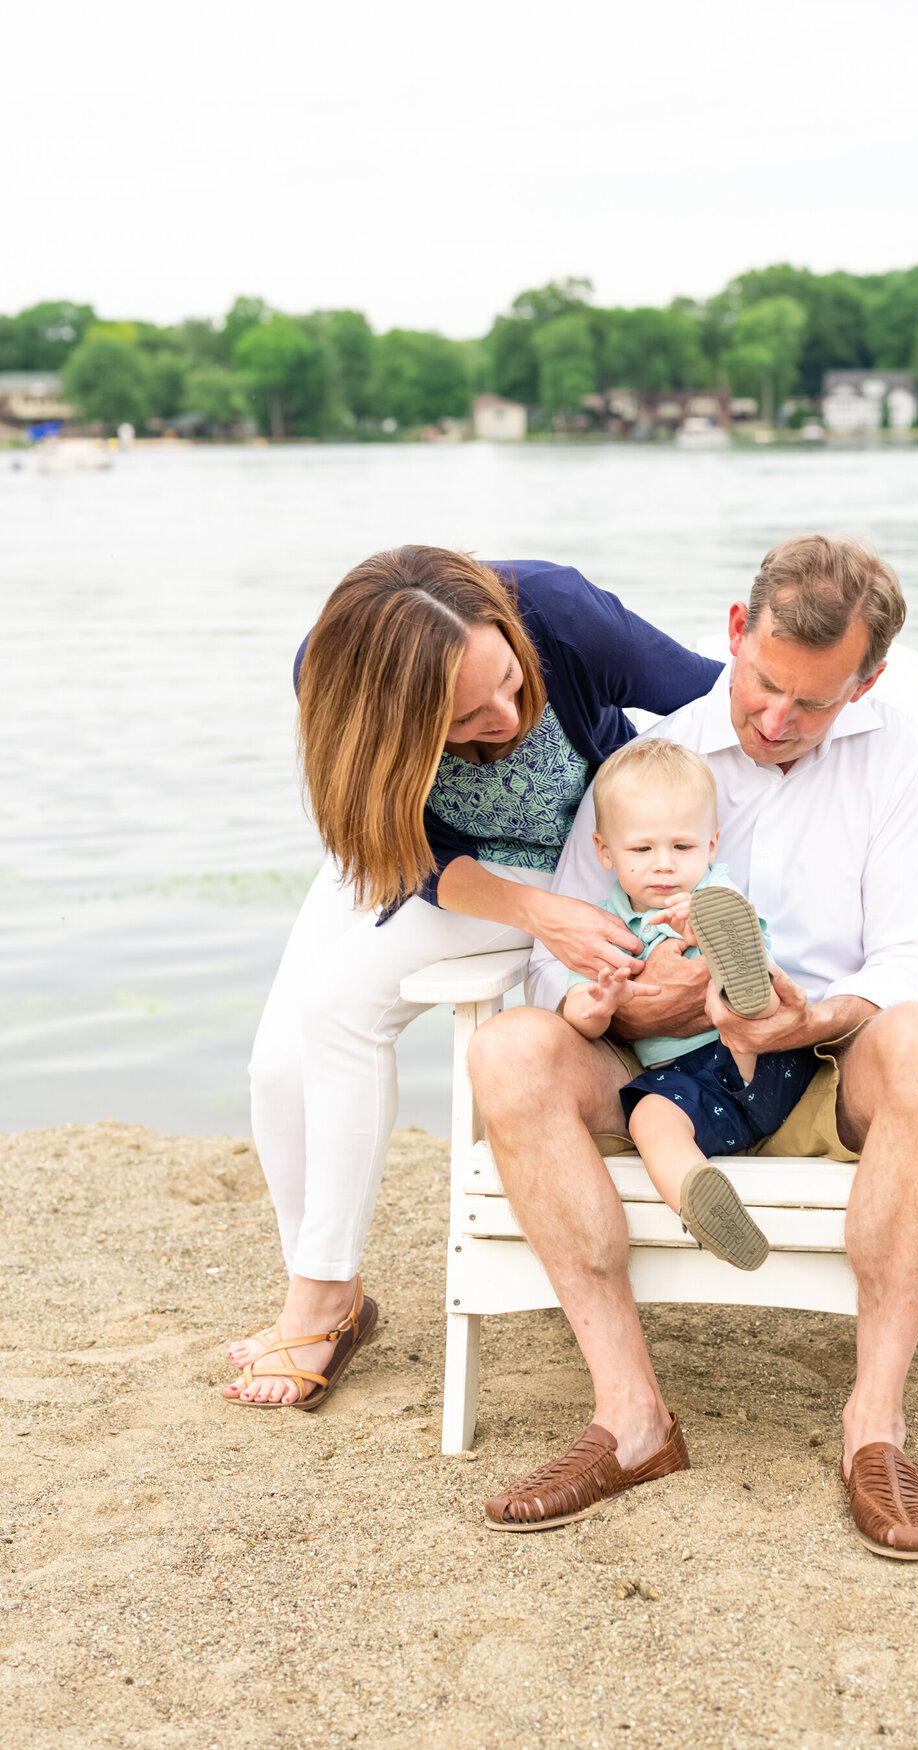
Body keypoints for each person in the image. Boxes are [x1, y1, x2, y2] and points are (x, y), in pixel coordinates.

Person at [470, 534, 918, 1558]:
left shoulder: (906, 759)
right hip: (655, 1063)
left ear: (868, 680)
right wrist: (624, 1004)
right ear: (737, 634)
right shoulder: (646, 769)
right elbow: (559, 952)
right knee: (509, 1050)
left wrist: (816, 1017)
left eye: (816, 704)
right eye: (764, 687)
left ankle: (872, 1428)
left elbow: (915, 952)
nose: (779, 721)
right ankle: (633, 1418)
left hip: (823, 1060)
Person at [224, 546, 721, 1408]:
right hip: (420, 857)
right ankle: (326, 1285)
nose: (508, 712)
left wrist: (689, 878)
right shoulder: (331, 676)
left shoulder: (562, 612)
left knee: (341, 1009)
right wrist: (532, 919)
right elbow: (387, 841)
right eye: (465, 718)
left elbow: (716, 707)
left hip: (569, 859)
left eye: (508, 678)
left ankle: (320, 1299)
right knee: (275, 1065)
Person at [561, 735, 814, 1272]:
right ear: (605, 851)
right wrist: (599, 1004)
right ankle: (699, 1197)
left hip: (766, 1057)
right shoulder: (602, 929)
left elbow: (766, 965)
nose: (663, 867)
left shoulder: (717, 896)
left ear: (712, 846)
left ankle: (732, 976)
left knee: (748, 999)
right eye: (641, 850)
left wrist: (700, 925)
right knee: (649, 1117)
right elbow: (579, 1017)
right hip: (690, 1089)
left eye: (682, 848)